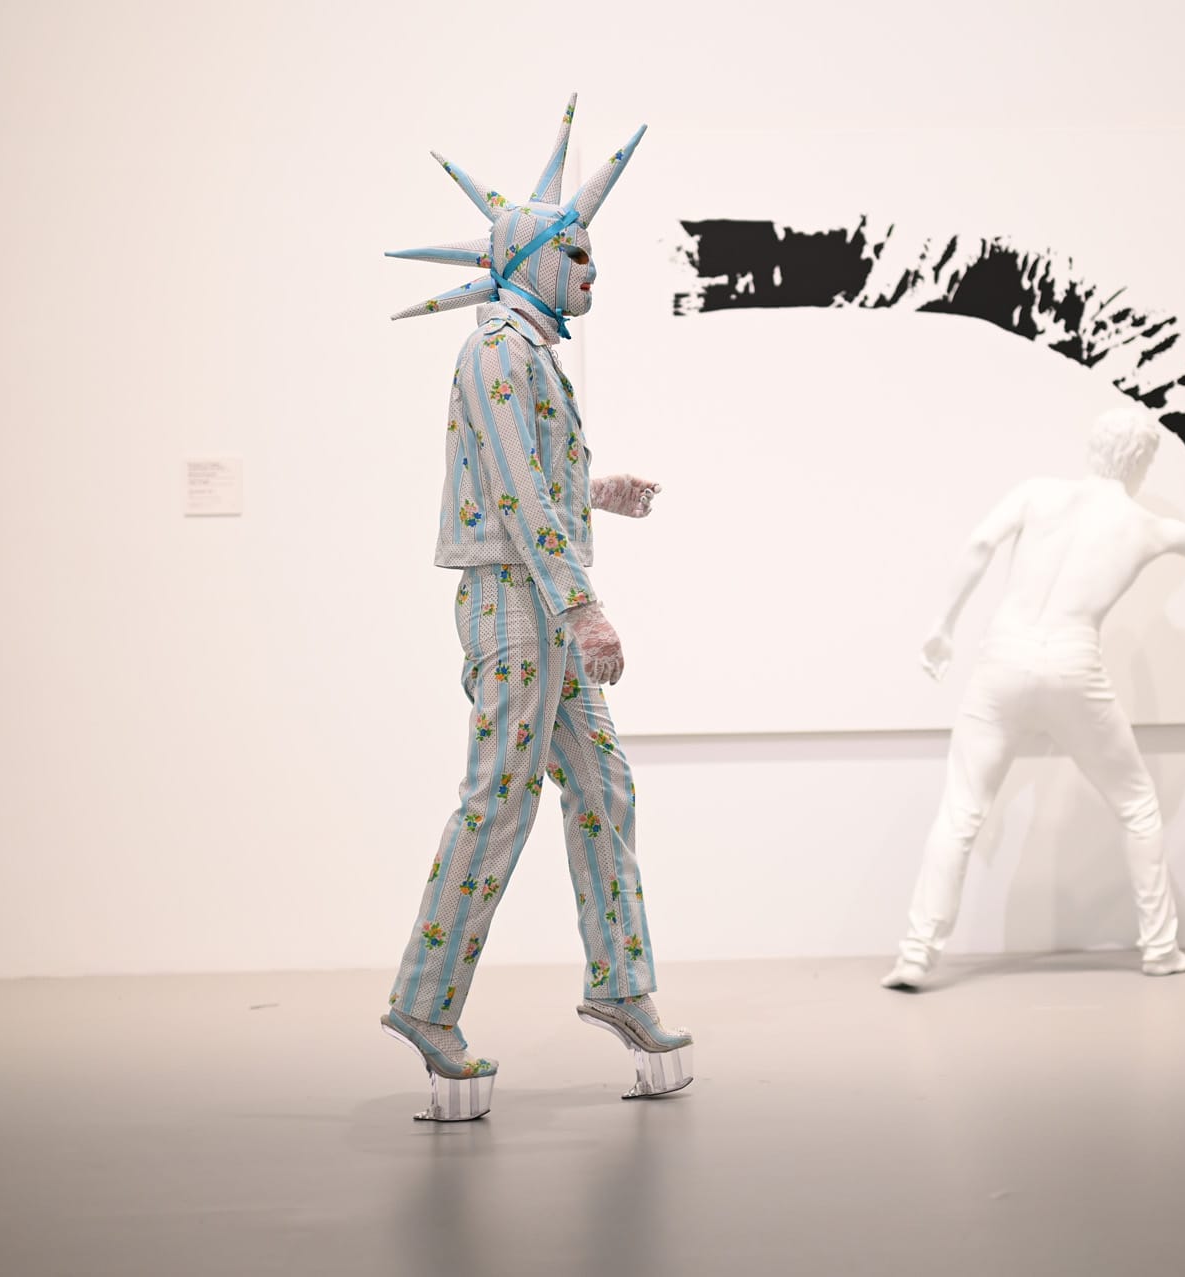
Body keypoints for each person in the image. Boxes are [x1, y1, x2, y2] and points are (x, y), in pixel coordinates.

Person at [378, 95, 691, 1118]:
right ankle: (426, 1002)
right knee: (499, 799)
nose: (594, 271)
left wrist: (602, 491)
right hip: (521, 610)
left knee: (605, 785)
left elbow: (523, 479)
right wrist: (587, 609)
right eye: (582, 255)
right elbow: (510, 499)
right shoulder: (499, 352)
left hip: (539, 603)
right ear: (534, 259)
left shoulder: (527, 354)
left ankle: (621, 984)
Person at [883, 407, 1185, 990]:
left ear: (1095, 448)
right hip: (1074, 665)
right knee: (1137, 807)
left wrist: (942, 623)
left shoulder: (1037, 493)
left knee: (960, 813)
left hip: (1001, 660)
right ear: (1140, 460)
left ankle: (916, 954)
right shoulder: (1147, 527)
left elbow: (980, 542)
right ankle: (1160, 948)